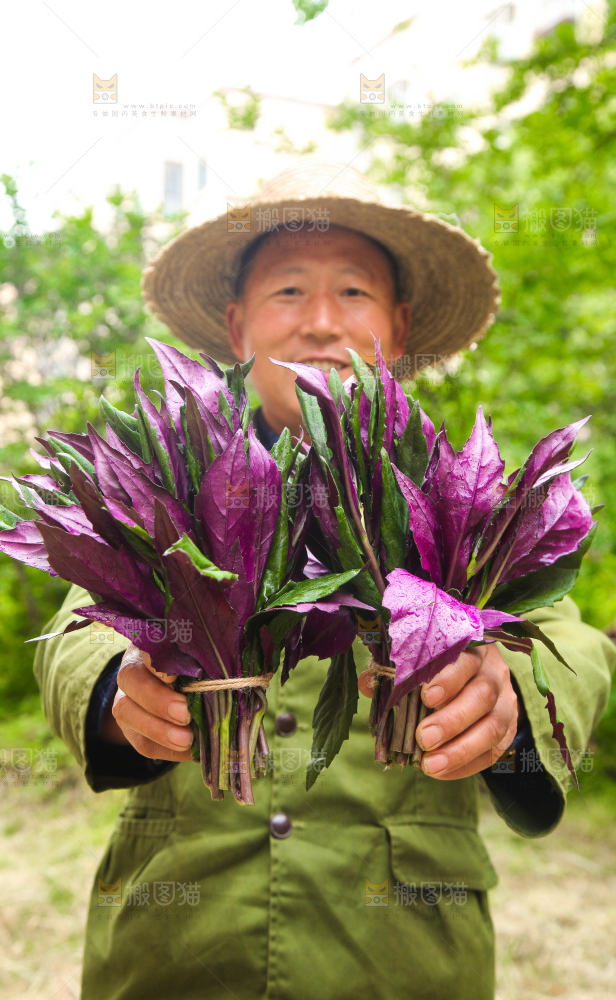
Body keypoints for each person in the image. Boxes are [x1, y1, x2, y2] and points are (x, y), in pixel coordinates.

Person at [33, 162, 615, 1000]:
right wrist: (112, 694)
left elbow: (567, 635)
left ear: (398, 324)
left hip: (400, 956)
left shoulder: (457, 488)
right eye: (287, 293)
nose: (318, 323)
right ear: (236, 328)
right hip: (178, 947)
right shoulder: (179, 485)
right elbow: (81, 621)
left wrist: (509, 689)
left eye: (351, 293)